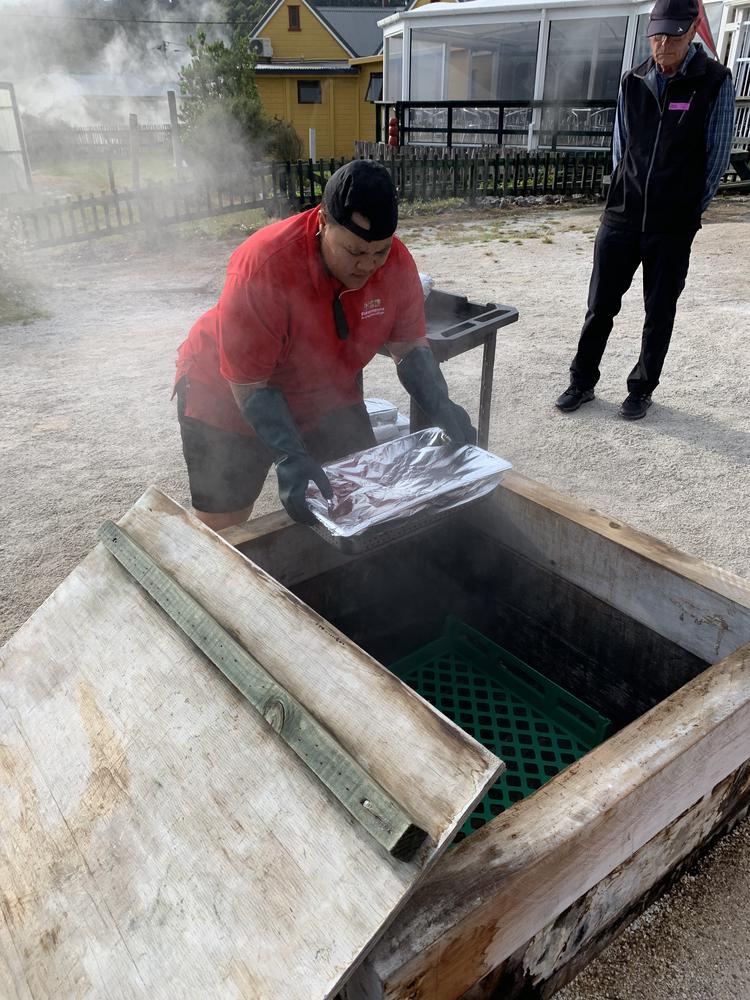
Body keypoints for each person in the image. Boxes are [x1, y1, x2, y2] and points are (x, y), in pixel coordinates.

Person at [174, 159, 475, 530]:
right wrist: (289, 454)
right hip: (226, 393)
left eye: (379, 252)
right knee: (225, 525)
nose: (368, 266)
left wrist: (439, 404)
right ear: (322, 222)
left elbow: (410, 347)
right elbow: (248, 383)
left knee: (356, 499)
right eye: (353, 252)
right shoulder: (264, 266)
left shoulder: (396, 265)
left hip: (325, 392)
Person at [555, 0, 735, 420]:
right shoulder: (633, 80)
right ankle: (581, 381)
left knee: (659, 311)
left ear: (692, 31)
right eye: (656, 34)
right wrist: (624, 194)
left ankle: (641, 388)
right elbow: (620, 148)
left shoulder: (713, 82)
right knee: (600, 305)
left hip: (672, 226)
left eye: (672, 35)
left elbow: (716, 157)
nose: (662, 44)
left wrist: (688, 208)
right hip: (622, 216)